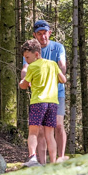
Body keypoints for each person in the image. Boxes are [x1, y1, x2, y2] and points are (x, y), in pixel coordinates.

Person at [21, 19, 68, 164]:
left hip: (56, 93)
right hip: (42, 95)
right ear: (35, 35)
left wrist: (50, 77)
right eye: (39, 34)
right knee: (42, 131)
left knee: (58, 126)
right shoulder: (31, 51)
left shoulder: (58, 47)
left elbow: (63, 67)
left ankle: (60, 158)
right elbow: (25, 69)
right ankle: (41, 162)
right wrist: (28, 81)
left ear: (50, 33)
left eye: (45, 33)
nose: (43, 37)